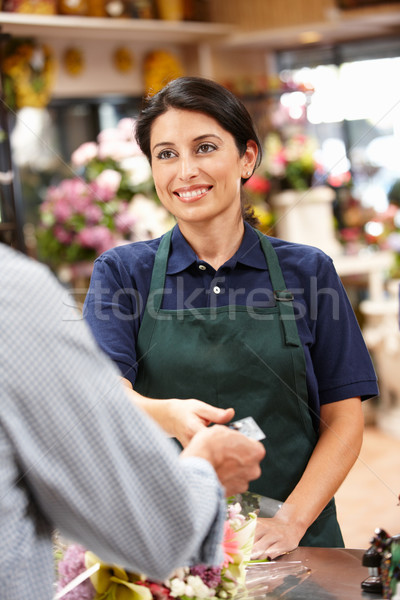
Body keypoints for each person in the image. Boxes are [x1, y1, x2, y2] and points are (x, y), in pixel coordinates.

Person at [83, 76, 378, 559]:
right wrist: (169, 415)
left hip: (296, 540)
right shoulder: (122, 274)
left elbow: (344, 419)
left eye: (204, 148)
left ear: (246, 158)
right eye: (166, 154)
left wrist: (290, 521)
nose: (186, 171)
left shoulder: (308, 272)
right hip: (170, 542)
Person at [0, 242, 265, 600]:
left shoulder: (307, 267)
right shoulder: (19, 289)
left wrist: (295, 518)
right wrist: (204, 466)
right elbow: (149, 532)